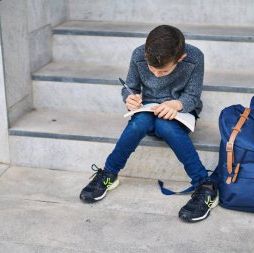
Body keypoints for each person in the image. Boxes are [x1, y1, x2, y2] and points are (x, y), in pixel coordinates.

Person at [80, 25, 218, 222]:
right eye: (152, 68)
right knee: (139, 123)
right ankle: (109, 174)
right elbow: (130, 88)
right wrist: (129, 98)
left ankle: (205, 185)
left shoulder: (195, 57)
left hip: (180, 111)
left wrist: (177, 104)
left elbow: (193, 96)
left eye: (163, 71)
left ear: (180, 58)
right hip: (147, 108)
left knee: (165, 126)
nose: (155, 74)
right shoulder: (139, 54)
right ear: (146, 54)